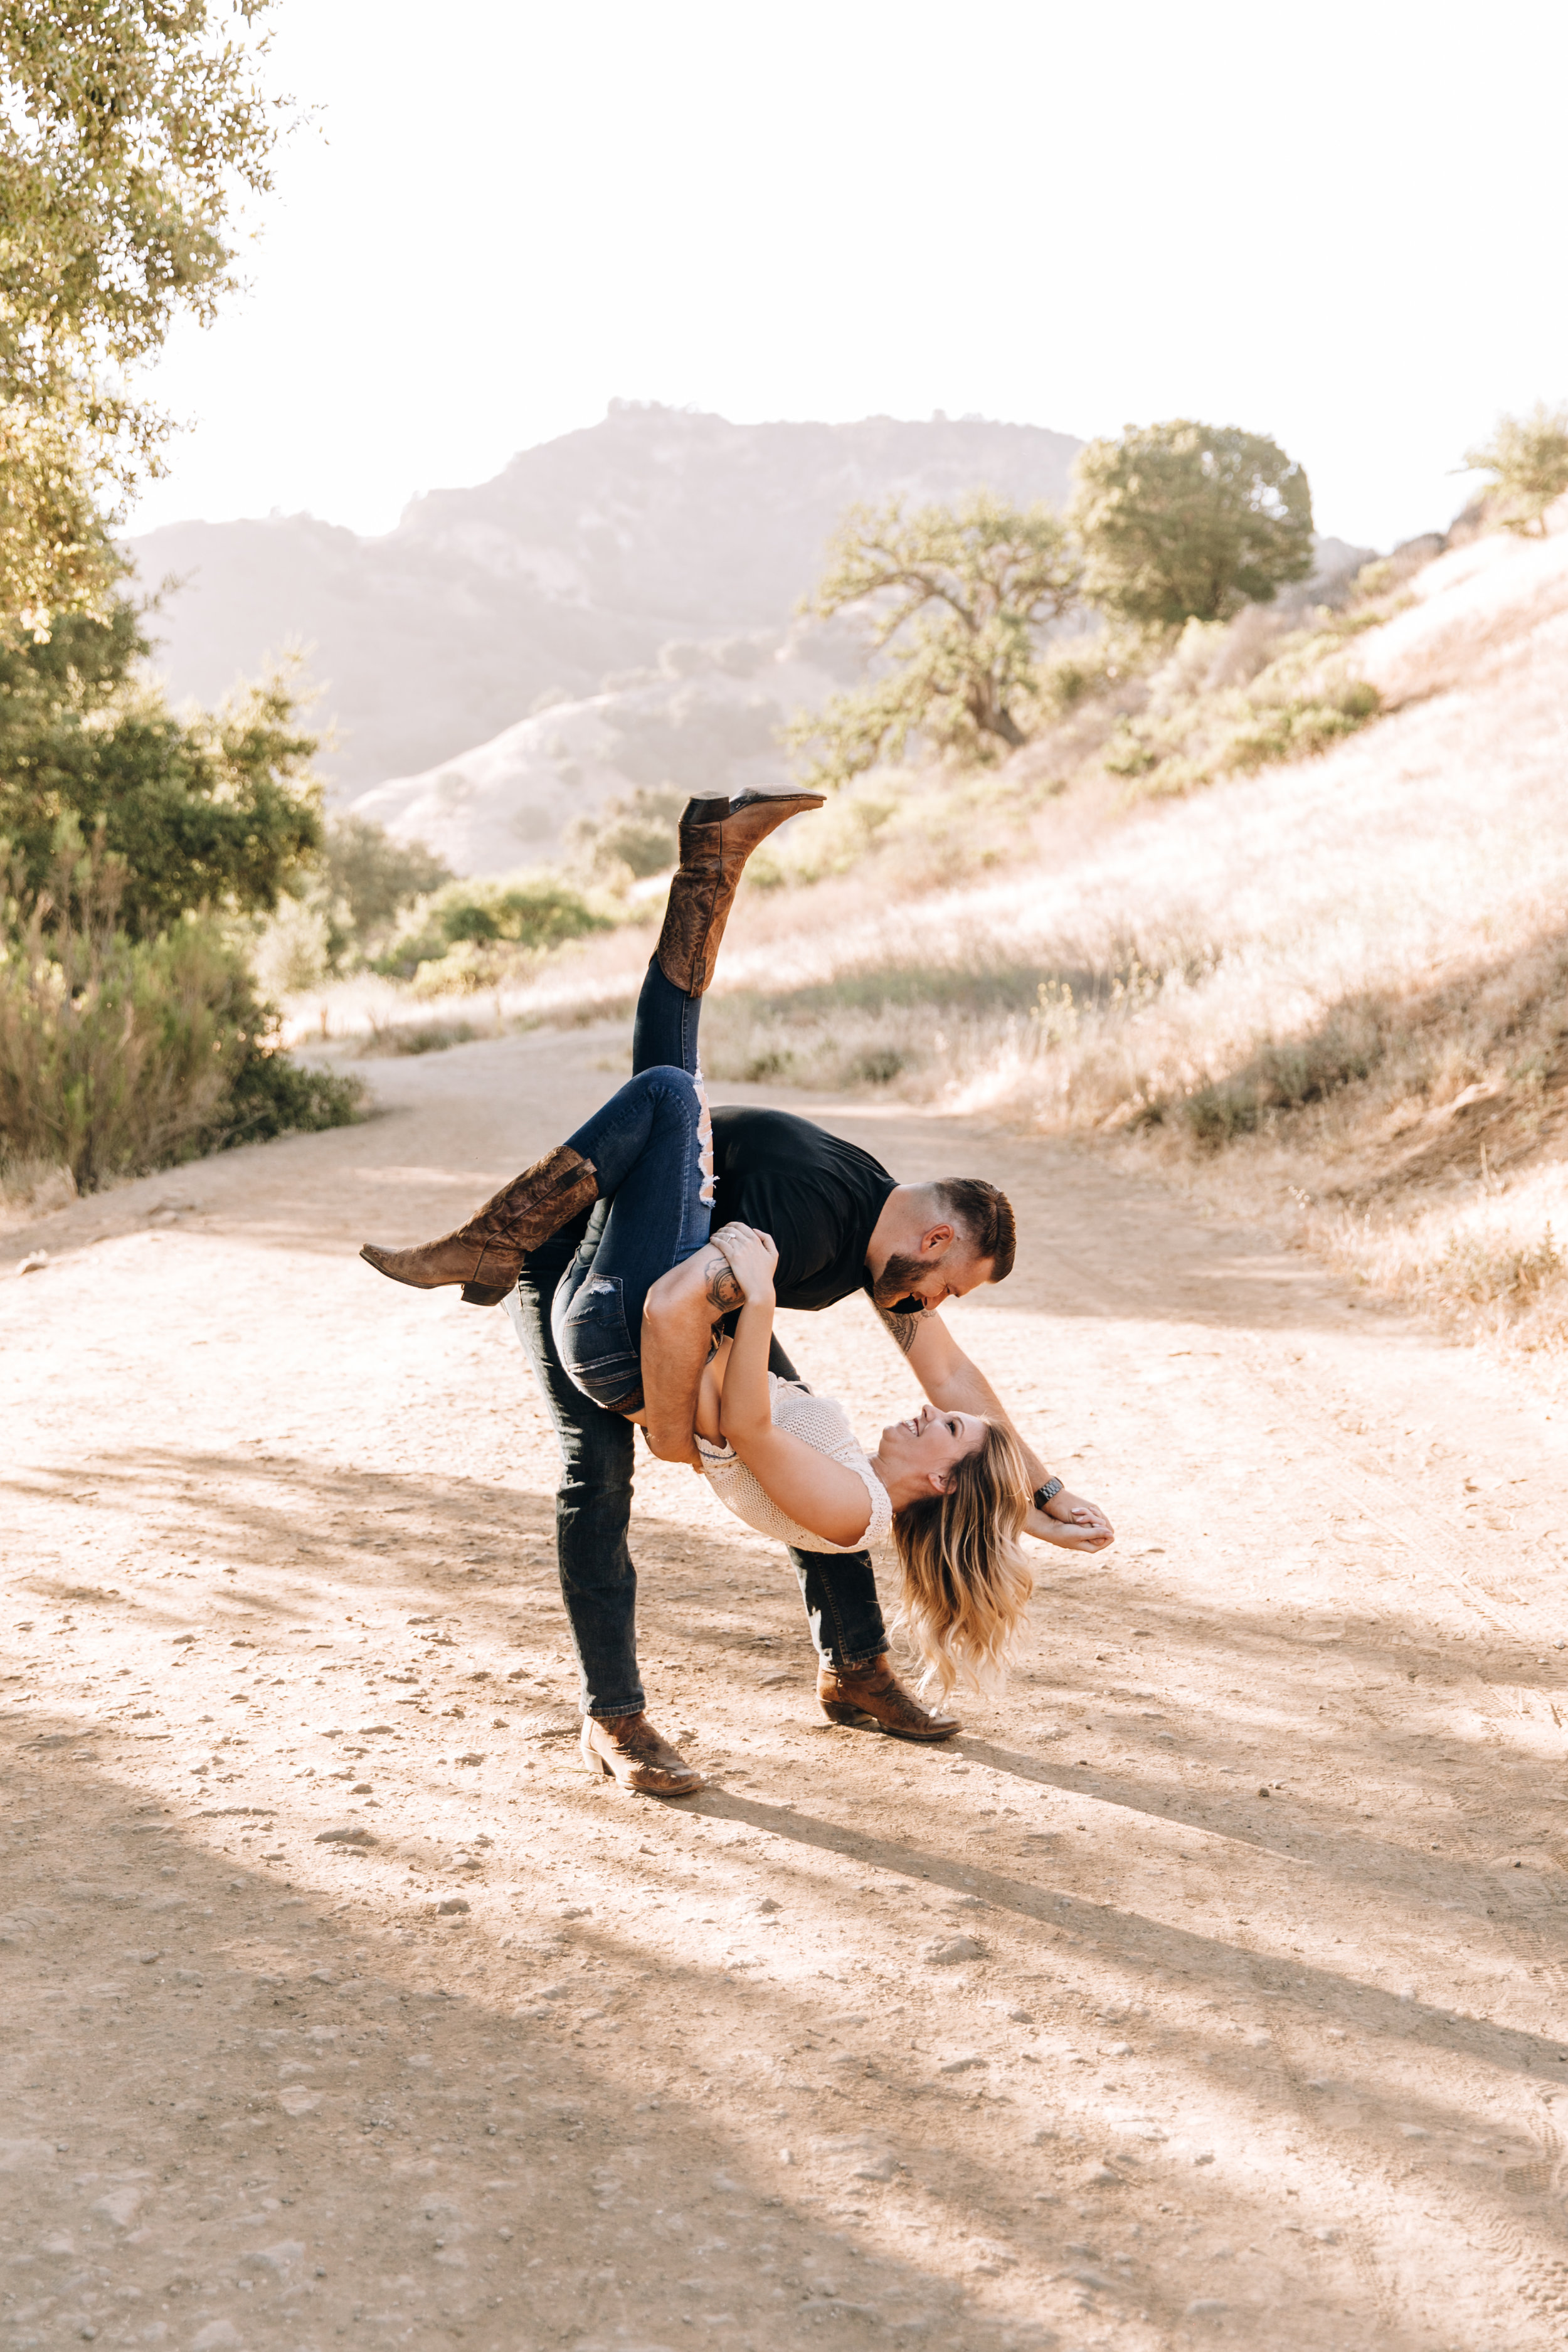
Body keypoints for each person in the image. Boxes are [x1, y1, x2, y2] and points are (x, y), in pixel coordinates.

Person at [361, 790, 1114, 1796]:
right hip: (592, 1271)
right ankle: (614, 1715)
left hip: (695, 1294)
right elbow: (683, 1322)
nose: (940, 1306)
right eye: (952, 1285)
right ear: (936, 1241)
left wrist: (1039, 1489)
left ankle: (853, 1668)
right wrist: (679, 1428)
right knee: (603, 1477)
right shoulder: (809, 1217)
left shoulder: (883, 1232)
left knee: (831, 1449)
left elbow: (951, 1383)